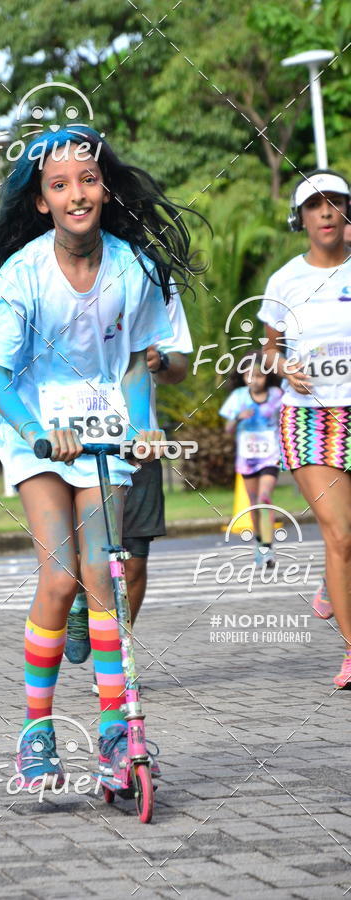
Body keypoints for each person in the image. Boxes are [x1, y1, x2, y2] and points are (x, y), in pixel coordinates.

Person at [0, 125, 202, 785]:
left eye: (88, 180)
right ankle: (35, 730)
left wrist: (148, 422)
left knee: (104, 579)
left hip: (103, 435)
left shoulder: (134, 269)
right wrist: (40, 432)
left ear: (104, 187)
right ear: (42, 200)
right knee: (59, 578)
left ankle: (111, 732)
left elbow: (139, 360)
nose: (78, 193)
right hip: (36, 436)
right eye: (60, 184)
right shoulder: (24, 273)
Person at [64, 282, 193, 668]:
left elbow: (179, 366)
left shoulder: (157, 283)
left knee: (134, 560)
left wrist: (162, 363)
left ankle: (117, 661)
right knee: (78, 556)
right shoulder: (56, 275)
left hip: (139, 444)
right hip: (72, 442)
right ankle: (79, 599)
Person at [259, 168, 351, 688]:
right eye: (314, 205)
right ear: (301, 218)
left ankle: (330, 580)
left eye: (334, 203)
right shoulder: (285, 280)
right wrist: (280, 366)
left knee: (348, 540)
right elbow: (269, 349)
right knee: (339, 534)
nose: (325, 212)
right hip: (310, 417)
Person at [219, 354, 283, 566]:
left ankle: (268, 548)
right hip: (247, 459)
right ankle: (259, 541)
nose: (254, 379)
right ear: (244, 377)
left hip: (270, 457)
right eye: (249, 375)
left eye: (258, 375)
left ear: (267, 377)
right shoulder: (238, 397)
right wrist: (237, 418)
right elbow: (227, 430)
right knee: (255, 505)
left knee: (265, 498)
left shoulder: (276, 395)